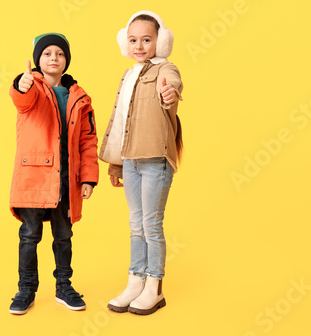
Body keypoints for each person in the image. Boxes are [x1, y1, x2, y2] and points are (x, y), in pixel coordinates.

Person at [99, 11, 183, 315]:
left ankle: (154, 287)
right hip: (131, 162)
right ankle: (135, 280)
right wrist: (116, 163)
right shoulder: (129, 74)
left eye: (146, 39)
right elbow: (122, 120)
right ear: (126, 42)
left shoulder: (165, 68)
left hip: (155, 162)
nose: (139, 45)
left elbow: (172, 86)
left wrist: (170, 91)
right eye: (133, 39)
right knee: (136, 224)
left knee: (151, 224)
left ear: (160, 41)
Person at [8, 33, 99, 315]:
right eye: (47, 54)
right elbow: (22, 100)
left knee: (64, 235)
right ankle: (26, 290)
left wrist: (87, 177)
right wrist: (20, 84)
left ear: (66, 60)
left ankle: (64, 286)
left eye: (59, 54)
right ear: (38, 60)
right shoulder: (32, 87)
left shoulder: (80, 96)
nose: (53, 58)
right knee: (29, 235)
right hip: (34, 175)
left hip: (66, 176)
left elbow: (87, 139)